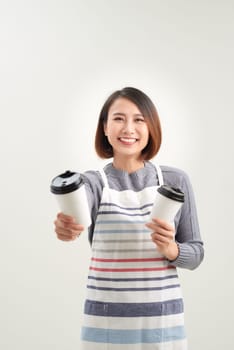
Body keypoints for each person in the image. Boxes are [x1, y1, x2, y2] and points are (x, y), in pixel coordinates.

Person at [54, 87, 204, 349]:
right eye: (119, 118)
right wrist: (67, 227)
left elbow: (196, 253)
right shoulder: (92, 183)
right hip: (107, 325)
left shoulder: (175, 180)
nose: (128, 129)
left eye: (139, 119)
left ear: (151, 127)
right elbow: (77, 217)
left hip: (162, 325)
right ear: (105, 127)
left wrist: (172, 249)